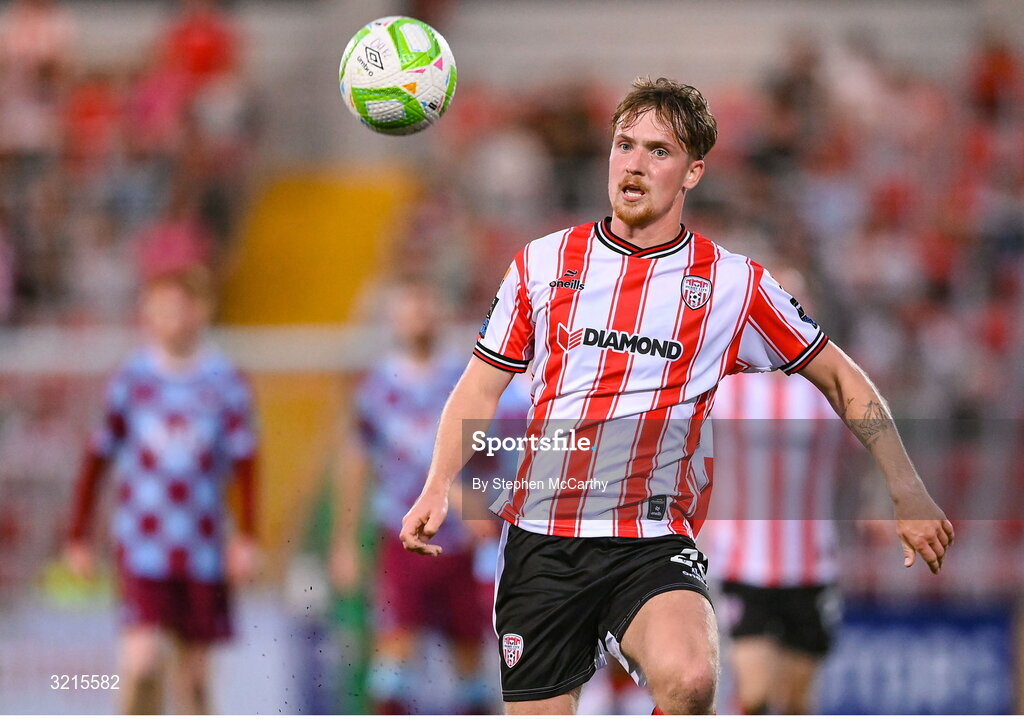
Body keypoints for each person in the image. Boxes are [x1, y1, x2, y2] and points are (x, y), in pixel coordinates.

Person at [400, 77, 953, 715]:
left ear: (692, 173)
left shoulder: (734, 286)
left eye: (657, 151)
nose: (633, 164)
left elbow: (839, 375)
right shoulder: (541, 264)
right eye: (623, 145)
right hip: (543, 540)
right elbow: (479, 383)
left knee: (691, 679)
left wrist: (905, 487)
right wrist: (438, 482)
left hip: (651, 537)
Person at [64, 262, 258, 714]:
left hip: (203, 546)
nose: (166, 319)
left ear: (199, 312)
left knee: (194, 679)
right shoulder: (130, 381)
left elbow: (247, 463)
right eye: (157, 310)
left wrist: (247, 536)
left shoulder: (225, 382)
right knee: (142, 661)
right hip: (143, 544)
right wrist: (78, 535)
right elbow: (97, 460)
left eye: (176, 308)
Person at [330, 279, 492, 715]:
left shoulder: (466, 380)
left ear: (440, 314)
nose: (419, 315)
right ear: (394, 318)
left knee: (468, 652)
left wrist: (479, 505)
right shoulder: (374, 388)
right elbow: (356, 465)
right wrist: (345, 542)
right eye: (410, 307)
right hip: (399, 534)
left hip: (459, 538)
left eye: (427, 305)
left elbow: (487, 456)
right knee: (396, 642)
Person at [706, 289, 847, 714]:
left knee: (796, 702)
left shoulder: (825, 391)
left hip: (811, 563)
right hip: (743, 562)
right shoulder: (727, 389)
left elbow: (860, 454)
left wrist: (880, 503)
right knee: (756, 695)